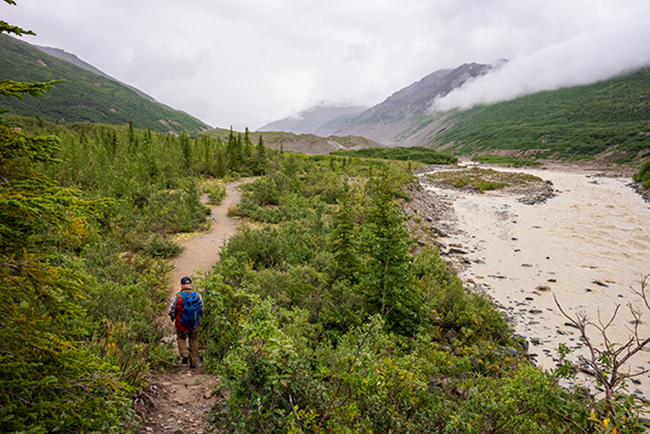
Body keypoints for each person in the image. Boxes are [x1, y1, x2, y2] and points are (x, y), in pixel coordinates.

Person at [167, 276, 204, 368]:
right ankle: (193, 362)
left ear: (182, 285)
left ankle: (185, 354)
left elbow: (171, 310)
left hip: (181, 323)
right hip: (194, 323)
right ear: (190, 284)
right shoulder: (198, 295)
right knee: (194, 341)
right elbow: (201, 309)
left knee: (181, 338)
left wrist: (173, 316)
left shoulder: (177, 296)